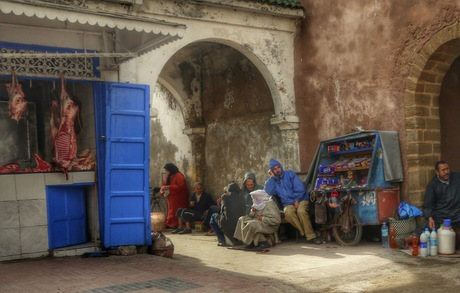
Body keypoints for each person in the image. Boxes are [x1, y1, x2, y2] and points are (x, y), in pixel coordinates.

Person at [264, 159, 322, 244]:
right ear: (272, 171)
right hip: (288, 203)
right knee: (288, 213)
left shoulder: (290, 174)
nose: (277, 170)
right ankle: (303, 232)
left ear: (280, 167)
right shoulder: (274, 181)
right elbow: (268, 191)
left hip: (301, 199)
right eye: (274, 169)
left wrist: (296, 200)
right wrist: (272, 177)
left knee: (301, 211)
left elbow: (300, 188)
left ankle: (311, 236)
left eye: (278, 168)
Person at [423, 160, 460, 248]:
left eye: (447, 169)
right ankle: (407, 240)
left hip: (457, 214)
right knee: (426, 228)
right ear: (437, 172)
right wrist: (430, 217)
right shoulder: (433, 185)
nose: (446, 172)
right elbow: (428, 203)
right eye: (443, 170)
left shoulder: (456, 178)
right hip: (442, 216)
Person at [210, 182, 246, 246]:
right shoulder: (242, 198)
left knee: (213, 216)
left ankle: (222, 240)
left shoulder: (224, 196)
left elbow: (222, 211)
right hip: (240, 225)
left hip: (228, 225)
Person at [160, 163, 189, 228]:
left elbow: (181, 186)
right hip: (171, 196)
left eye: (167, 170)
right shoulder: (169, 176)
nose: (166, 172)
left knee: (176, 210)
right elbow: (164, 183)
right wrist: (163, 188)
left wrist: (169, 187)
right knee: (171, 209)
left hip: (178, 196)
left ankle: (176, 224)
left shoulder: (179, 175)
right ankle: (170, 223)